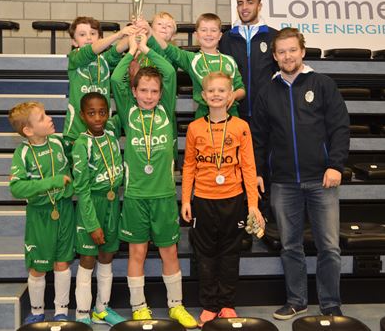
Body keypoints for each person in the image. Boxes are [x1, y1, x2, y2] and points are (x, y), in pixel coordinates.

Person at [251, 27, 350, 320]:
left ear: (302, 51)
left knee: (329, 247)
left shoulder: (322, 84)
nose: (287, 56)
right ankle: (297, 300)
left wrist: (335, 165)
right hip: (283, 182)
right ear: (275, 56)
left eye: (292, 50)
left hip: (322, 180)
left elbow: (340, 128)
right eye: (281, 51)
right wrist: (258, 171)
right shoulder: (268, 91)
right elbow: (259, 136)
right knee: (290, 246)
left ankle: (330, 304)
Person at [110, 32, 198, 328]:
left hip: (162, 195)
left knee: (169, 251)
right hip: (135, 195)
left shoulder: (166, 111)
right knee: (137, 251)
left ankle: (176, 306)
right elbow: (117, 78)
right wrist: (131, 49)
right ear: (134, 91)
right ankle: (139, 307)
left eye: (154, 91)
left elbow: (170, 71)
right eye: (143, 90)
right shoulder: (128, 112)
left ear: (161, 94)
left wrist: (147, 47)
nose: (149, 96)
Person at [181, 72, 265, 326]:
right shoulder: (195, 128)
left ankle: (227, 304)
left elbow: (249, 167)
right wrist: (186, 199)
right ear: (203, 96)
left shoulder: (241, 127)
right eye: (211, 91)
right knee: (205, 254)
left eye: (222, 90)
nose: (216, 94)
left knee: (230, 253)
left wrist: (253, 204)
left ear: (230, 96)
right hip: (204, 200)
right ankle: (208, 305)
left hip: (234, 200)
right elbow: (188, 166)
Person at [8, 101, 75, 324]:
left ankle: (61, 310)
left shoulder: (58, 142)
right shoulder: (23, 152)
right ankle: (37, 311)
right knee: (38, 267)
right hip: (40, 215)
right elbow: (16, 188)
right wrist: (52, 182)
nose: (49, 118)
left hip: (64, 210)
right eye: (42, 117)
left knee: (63, 262)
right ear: (28, 130)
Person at [71, 92, 125, 326]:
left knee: (107, 255)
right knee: (88, 258)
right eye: (91, 113)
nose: (98, 118)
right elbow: (81, 190)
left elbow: (125, 99)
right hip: (92, 204)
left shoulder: (111, 135)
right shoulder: (81, 144)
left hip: (113, 204)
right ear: (83, 116)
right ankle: (82, 313)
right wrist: (92, 224)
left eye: (102, 112)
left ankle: (101, 308)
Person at [63, 16, 136, 161]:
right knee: (80, 175)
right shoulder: (74, 58)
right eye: (82, 35)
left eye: (93, 34)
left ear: (100, 37)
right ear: (74, 41)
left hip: (101, 128)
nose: (89, 38)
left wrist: (135, 29)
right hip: (77, 129)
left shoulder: (104, 59)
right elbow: (91, 51)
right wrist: (119, 34)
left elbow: (118, 48)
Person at [149, 13, 246, 118]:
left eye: (213, 30)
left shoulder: (229, 61)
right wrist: (150, 32)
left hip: (231, 114)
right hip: (204, 115)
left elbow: (241, 89)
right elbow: (169, 49)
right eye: (204, 30)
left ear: (220, 35)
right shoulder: (192, 59)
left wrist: (234, 95)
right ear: (196, 35)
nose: (208, 34)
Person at [219, 0, 277, 123]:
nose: (244, 7)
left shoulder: (274, 36)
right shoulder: (226, 38)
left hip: (266, 113)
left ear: (259, 6)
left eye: (250, 2)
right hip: (233, 112)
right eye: (240, 3)